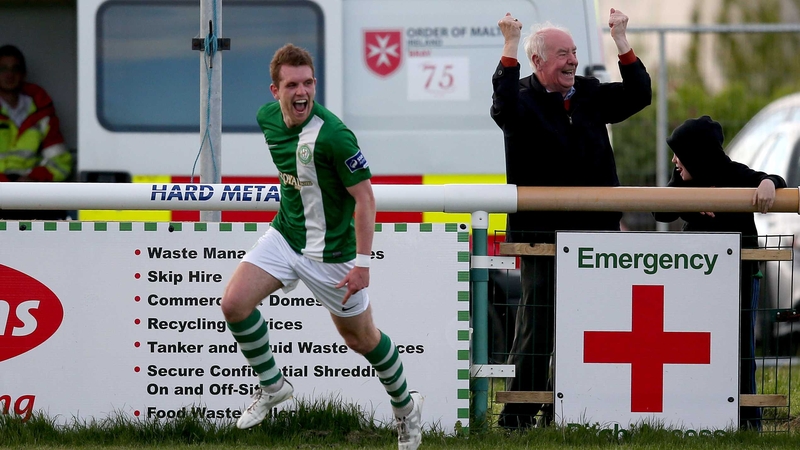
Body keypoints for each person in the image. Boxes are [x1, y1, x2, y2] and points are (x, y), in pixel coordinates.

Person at [220, 44, 423, 449]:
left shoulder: (334, 136)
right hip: (285, 237)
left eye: (308, 83)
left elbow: (366, 199)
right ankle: (273, 386)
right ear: (275, 90)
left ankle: (406, 407)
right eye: (292, 85)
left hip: (332, 255)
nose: (302, 93)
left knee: (362, 340)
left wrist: (363, 264)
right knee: (233, 304)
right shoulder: (266, 118)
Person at [491, 9, 652, 428]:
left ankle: (573, 412)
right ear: (538, 61)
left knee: (591, 322)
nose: (573, 61)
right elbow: (503, 108)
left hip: (595, 231)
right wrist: (510, 44)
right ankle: (518, 416)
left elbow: (639, 95)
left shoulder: (589, 93)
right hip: (541, 233)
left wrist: (621, 39)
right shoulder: (520, 97)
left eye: (575, 52)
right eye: (563, 54)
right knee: (537, 323)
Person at [654, 115, 786, 431]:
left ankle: (749, 422)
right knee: (692, 345)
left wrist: (768, 184)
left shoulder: (733, 173)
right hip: (697, 279)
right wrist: (694, 203)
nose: (674, 161)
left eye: (679, 153)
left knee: (740, 347)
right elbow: (660, 209)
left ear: (697, 155)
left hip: (740, 278)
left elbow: (771, 179)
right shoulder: (682, 179)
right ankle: (696, 415)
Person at [0, 44, 72, 220]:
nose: (9, 75)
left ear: (23, 74)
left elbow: (61, 163)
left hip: (31, 192)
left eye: (15, 69)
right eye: (3, 69)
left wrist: (32, 179)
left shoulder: (41, 111)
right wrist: (6, 184)